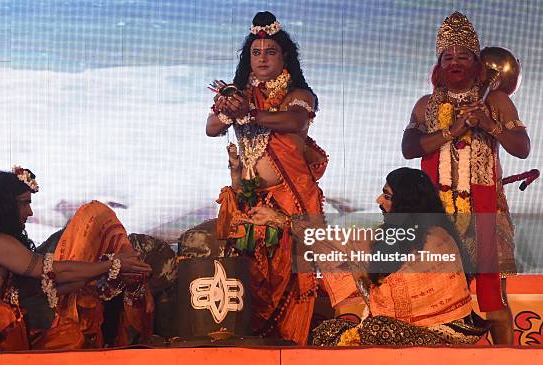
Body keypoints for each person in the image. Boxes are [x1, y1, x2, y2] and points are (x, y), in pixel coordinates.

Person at [207, 11, 351, 345]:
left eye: (270, 51)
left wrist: (249, 114)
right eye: (255, 52)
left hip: (292, 199)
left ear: (285, 56)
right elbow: (212, 128)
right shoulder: (240, 94)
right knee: (256, 280)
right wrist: (227, 109)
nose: (261, 58)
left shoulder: (298, 94)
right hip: (252, 201)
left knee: (295, 282)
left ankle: (294, 346)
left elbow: (293, 121)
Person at [401, 11, 530, 344]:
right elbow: (410, 148)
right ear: (438, 64)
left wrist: (490, 126)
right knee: (439, 298)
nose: (454, 61)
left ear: (477, 63)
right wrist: (453, 129)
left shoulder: (496, 100)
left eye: (463, 55)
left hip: (485, 215)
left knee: (493, 302)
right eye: (448, 56)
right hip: (437, 217)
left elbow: (522, 148)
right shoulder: (426, 105)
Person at [248, 168, 487, 345]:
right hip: (397, 326)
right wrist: (277, 219)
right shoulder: (389, 233)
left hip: (445, 329)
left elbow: (405, 296)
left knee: (375, 328)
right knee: (326, 332)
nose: (378, 201)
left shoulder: (437, 238)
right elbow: (337, 241)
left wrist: (363, 275)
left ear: (408, 202)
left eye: (388, 196)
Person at [0, 167, 152, 350]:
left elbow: (45, 286)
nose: (29, 212)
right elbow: (54, 271)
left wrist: (105, 273)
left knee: (70, 336)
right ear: (4, 206)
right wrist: (111, 264)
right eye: (24, 203)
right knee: (4, 315)